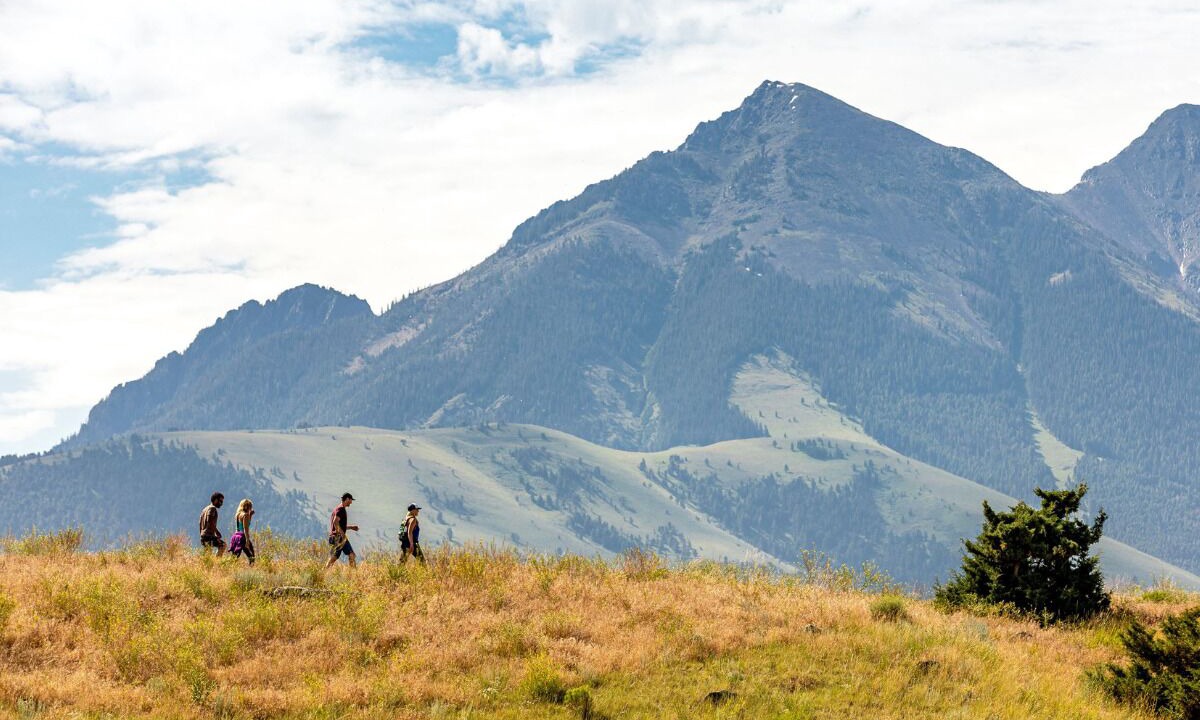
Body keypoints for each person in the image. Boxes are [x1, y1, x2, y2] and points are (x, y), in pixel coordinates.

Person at [324, 492, 358, 569]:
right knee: (352, 555)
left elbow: (339, 525)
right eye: (351, 500)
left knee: (334, 557)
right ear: (347, 499)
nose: (351, 502)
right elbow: (335, 522)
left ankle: (324, 571)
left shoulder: (336, 509)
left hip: (334, 537)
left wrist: (351, 527)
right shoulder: (341, 510)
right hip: (339, 537)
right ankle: (354, 574)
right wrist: (342, 535)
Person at [229, 498, 256, 565]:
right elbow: (245, 528)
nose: (250, 508)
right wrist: (247, 540)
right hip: (242, 537)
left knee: (235, 555)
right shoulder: (245, 515)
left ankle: (228, 567)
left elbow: (242, 524)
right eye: (249, 506)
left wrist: (250, 515)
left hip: (236, 536)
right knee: (251, 555)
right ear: (246, 506)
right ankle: (251, 569)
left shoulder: (238, 514)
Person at [199, 492, 226, 556]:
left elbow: (200, 523)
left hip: (203, 535)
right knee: (222, 545)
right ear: (216, 500)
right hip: (209, 536)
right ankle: (217, 562)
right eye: (220, 501)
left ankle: (208, 564)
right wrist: (217, 532)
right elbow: (210, 521)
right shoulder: (212, 508)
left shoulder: (204, 509)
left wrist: (201, 534)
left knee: (207, 554)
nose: (221, 504)